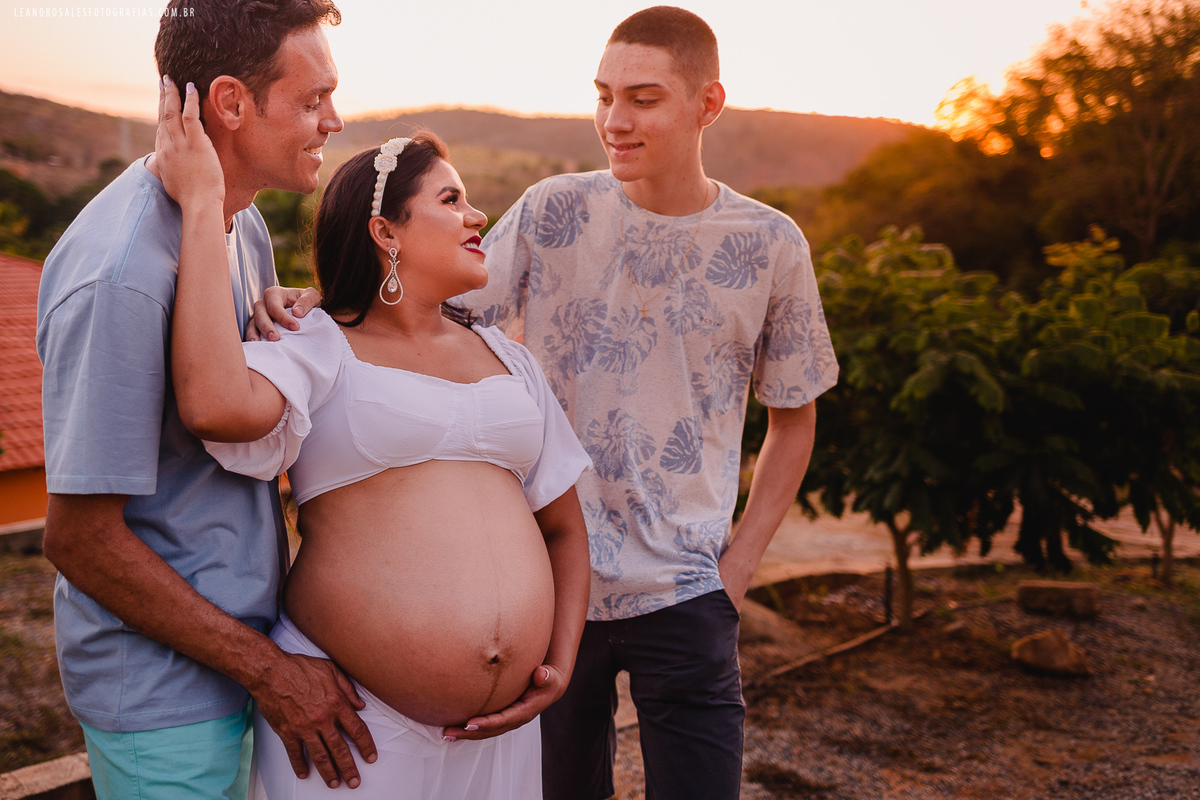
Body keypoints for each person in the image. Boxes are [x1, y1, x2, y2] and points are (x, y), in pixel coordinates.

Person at [155, 70, 591, 800]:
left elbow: (565, 531)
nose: (478, 214)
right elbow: (213, 405)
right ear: (385, 231)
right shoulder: (317, 340)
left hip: (503, 736)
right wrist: (202, 203)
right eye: (451, 200)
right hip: (358, 726)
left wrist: (561, 666)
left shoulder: (510, 361)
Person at [453, 7, 839, 799]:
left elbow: (794, 417)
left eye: (643, 99)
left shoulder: (771, 244)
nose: (614, 121)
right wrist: (322, 303)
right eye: (603, 96)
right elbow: (432, 313)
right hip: (550, 582)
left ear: (708, 104)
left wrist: (738, 568)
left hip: (689, 592)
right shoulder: (554, 211)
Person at [35, 2, 378, 797]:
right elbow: (79, 539)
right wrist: (271, 672)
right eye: (313, 100)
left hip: (241, 668)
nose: (333, 121)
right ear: (230, 103)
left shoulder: (236, 223)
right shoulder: (120, 275)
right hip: (165, 704)